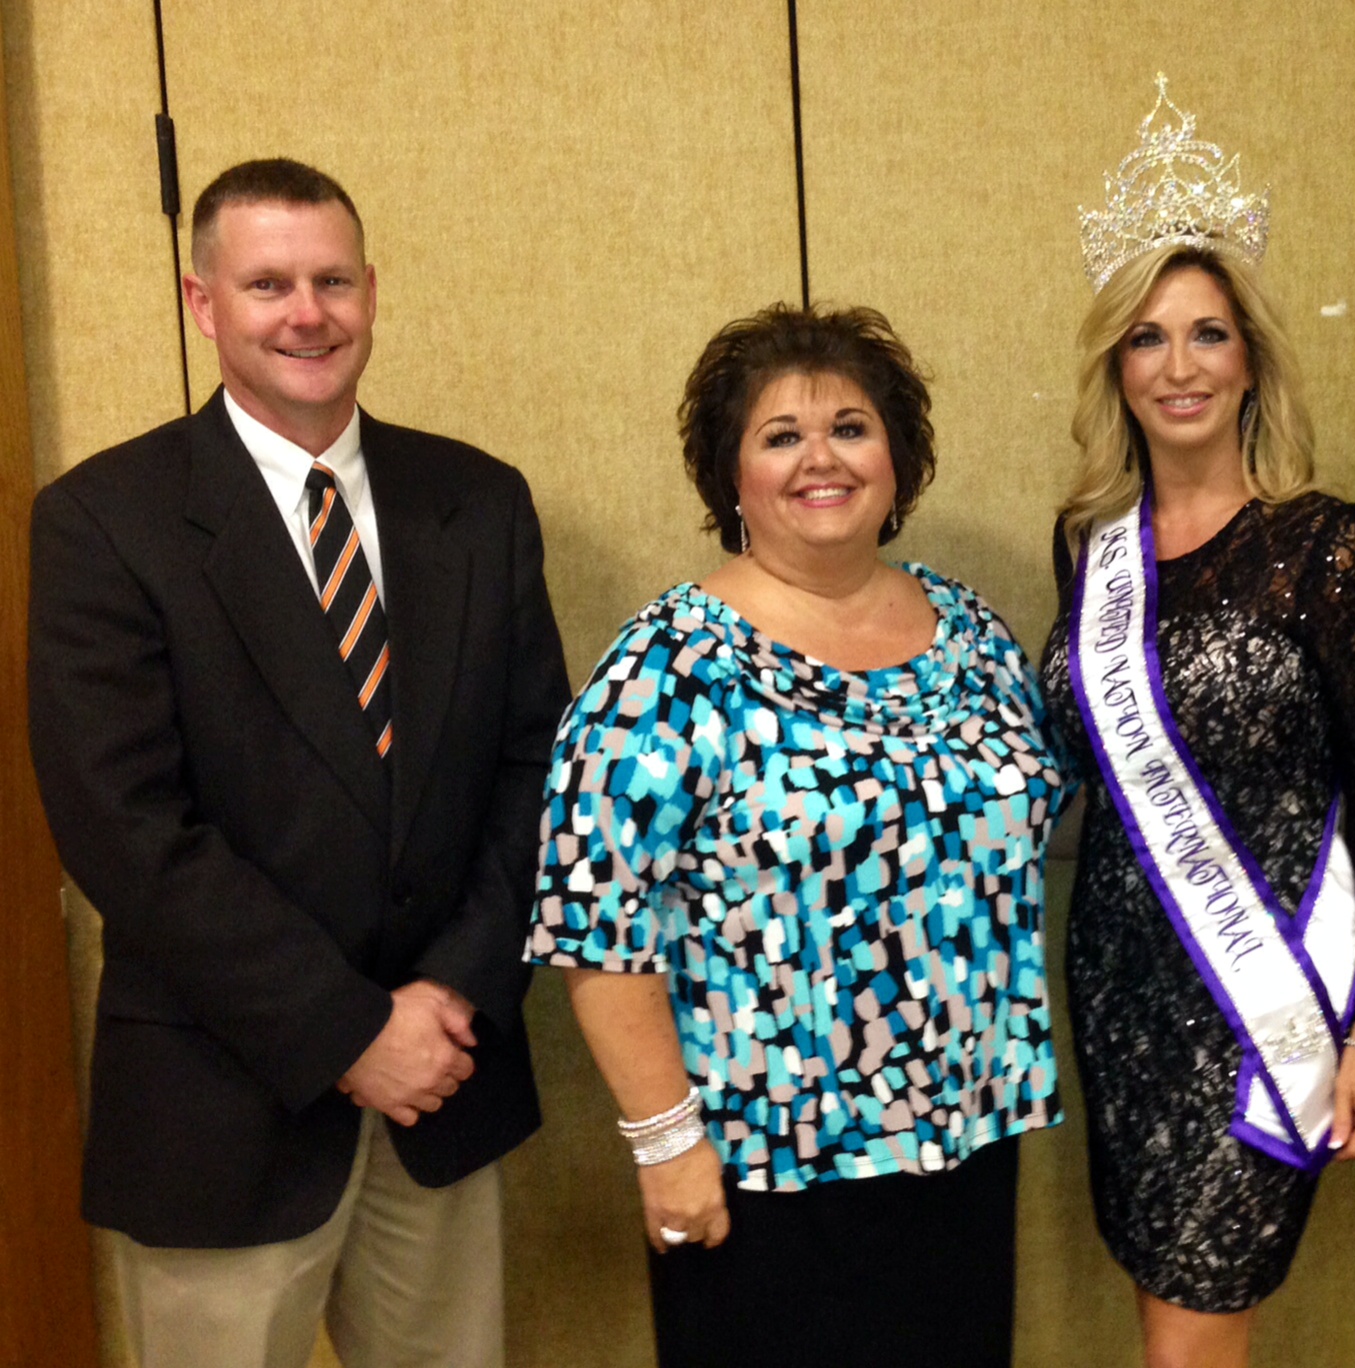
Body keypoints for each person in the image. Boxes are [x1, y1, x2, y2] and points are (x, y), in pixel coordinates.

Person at [26, 159, 570, 1367]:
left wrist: (446, 1000)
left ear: (372, 291)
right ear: (202, 302)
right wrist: (347, 1033)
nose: (305, 312)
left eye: (331, 279)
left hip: (444, 1081)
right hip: (224, 1110)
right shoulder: (104, 521)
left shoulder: (477, 503)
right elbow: (127, 830)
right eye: (267, 283)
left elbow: (540, 772)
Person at [526, 303, 1068, 1368]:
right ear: (731, 478)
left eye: (851, 427)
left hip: (962, 1145)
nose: (820, 457)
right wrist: (666, 1145)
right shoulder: (668, 664)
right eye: (780, 435)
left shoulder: (972, 634)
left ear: (899, 461)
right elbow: (593, 924)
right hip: (759, 1170)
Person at [1039, 78, 1355, 1368]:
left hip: (1268, 997)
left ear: (1250, 353)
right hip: (1118, 981)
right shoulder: (1088, 548)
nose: (1178, 365)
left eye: (1206, 333)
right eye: (1145, 337)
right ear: (1114, 363)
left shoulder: (1325, 548)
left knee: (1193, 1334)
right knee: (1169, 1312)